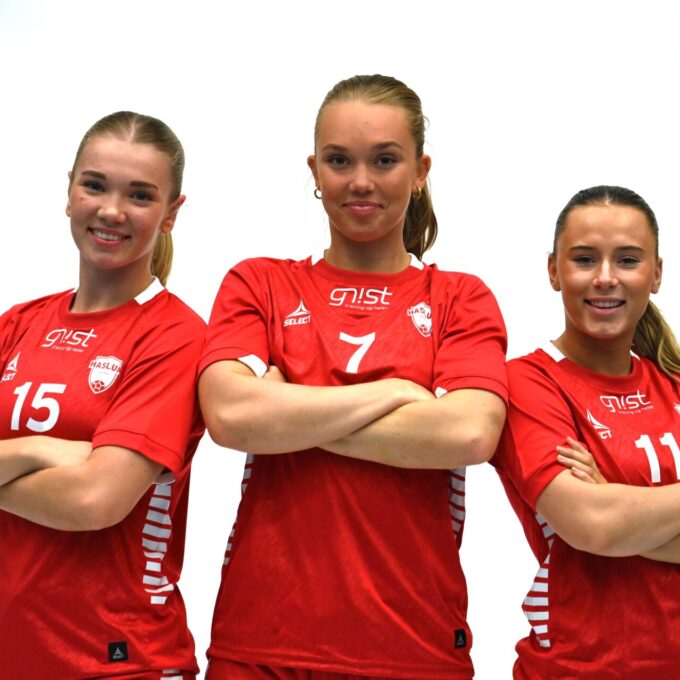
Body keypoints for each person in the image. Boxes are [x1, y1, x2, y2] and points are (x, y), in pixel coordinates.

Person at [198, 74, 508, 679]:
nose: (360, 181)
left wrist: (287, 411)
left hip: (412, 645)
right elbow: (230, 417)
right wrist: (397, 395)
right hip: (261, 643)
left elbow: (468, 434)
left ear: (419, 171)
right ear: (314, 170)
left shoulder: (460, 298)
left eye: (384, 160)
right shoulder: (259, 283)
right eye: (339, 160)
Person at [0, 111, 205, 679]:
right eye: (95, 185)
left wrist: (15, 457)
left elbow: (94, 501)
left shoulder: (175, 336)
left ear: (171, 213)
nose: (112, 211)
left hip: (119, 660)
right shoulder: (17, 324)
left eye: (140, 195)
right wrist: (44, 451)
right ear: (70, 191)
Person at [492, 185, 680, 679]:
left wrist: (619, 504)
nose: (605, 278)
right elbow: (593, 524)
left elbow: (609, 525)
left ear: (656, 273)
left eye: (628, 260)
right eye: (584, 259)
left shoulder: (675, 382)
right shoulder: (526, 383)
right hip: (578, 668)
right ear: (554, 270)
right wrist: (609, 516)